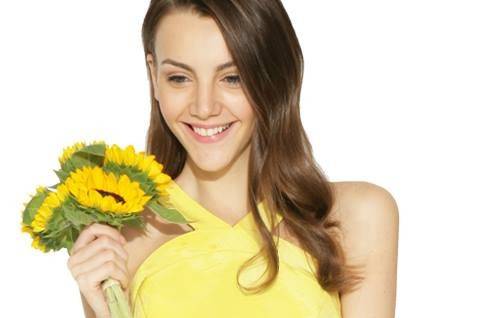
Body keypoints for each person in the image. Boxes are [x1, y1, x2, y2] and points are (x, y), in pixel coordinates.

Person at [67, 1, 399, 317]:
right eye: (180, 78)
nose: (204, 107)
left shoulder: (357, 217)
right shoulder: (118, 242)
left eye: (232, 78)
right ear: (154, 76)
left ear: (271, 79)